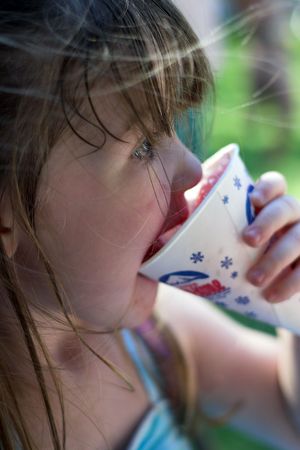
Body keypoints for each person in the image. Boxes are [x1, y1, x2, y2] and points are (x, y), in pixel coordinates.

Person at [1, 1, 300, 449]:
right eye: (142, 147)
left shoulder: (155, 334)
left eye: (175, 127)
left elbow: (286, 412)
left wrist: (287, 301)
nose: (193, 168)